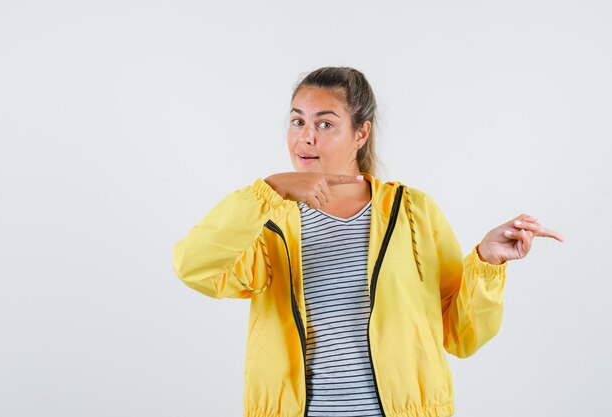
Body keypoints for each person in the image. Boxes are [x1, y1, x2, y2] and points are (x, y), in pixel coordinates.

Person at [172, 66, 564, 417]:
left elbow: (460, 336)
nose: (305, 138)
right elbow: (194, 266)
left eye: (325, 124)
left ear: (361, 132)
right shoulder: (265, 221)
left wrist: (486, 261)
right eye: (297, 122)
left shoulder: (413, 212)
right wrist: (268, 190)